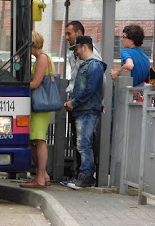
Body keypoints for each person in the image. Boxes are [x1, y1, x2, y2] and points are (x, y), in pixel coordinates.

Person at [63, 35, 107, 190]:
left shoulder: (93, 65)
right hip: (86, 109)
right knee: (83, 143)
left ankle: (86, 176)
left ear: (84, 47)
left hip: (87, 110)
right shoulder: (92, 65)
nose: (76, 52)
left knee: (84, 144)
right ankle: (85, 176)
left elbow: (89, 90)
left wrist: (74, 103)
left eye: (77, 48)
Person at [21, 30, 53, 189]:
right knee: (34, 140)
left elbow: (35, 83)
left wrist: (18, 85)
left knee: (39, 140)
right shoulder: (40, 58)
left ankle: (40, 177)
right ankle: (43, 175)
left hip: (41, 106)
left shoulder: (42, 58)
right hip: (38, 106)